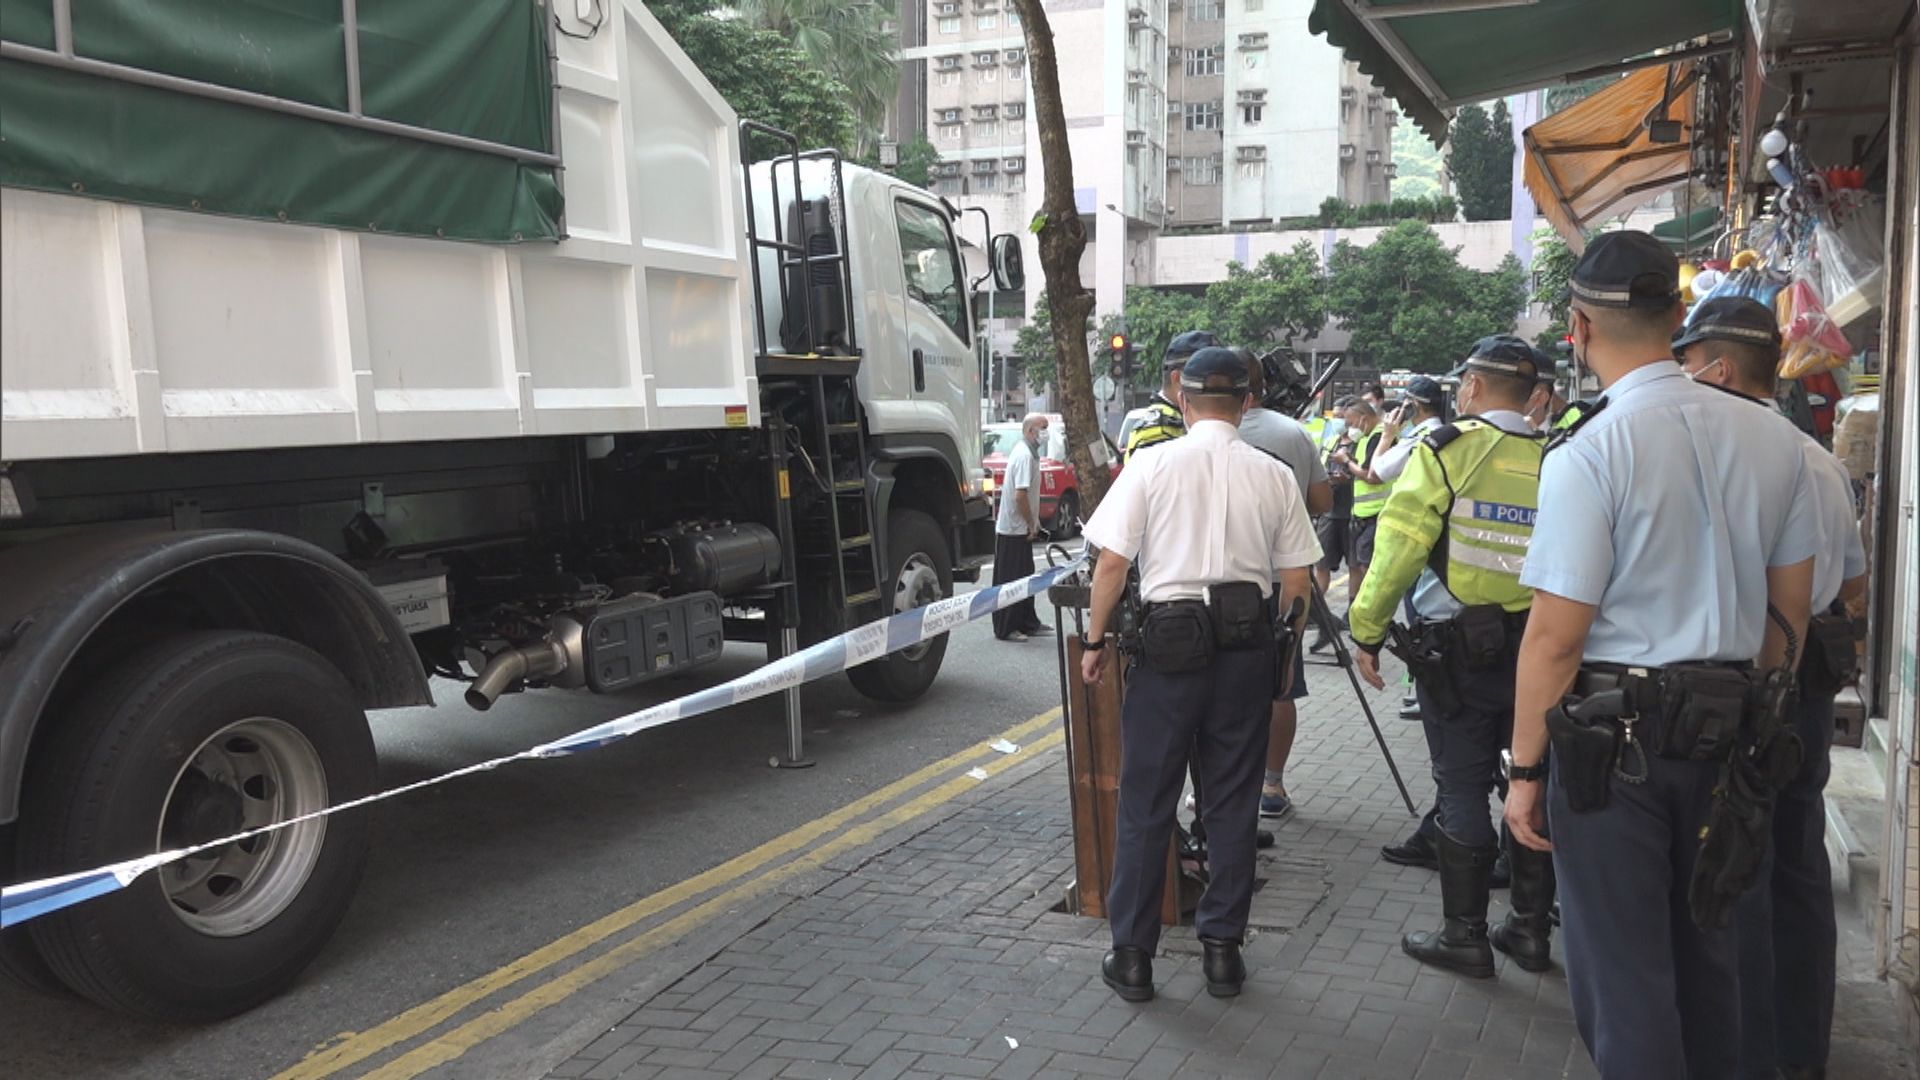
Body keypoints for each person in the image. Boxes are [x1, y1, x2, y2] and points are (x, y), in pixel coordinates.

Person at [1505, 232, 1823, 1078]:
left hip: (1618, 753)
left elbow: (1555, 635)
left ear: (1576, 329)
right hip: (1732, 734)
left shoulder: (1591, 451)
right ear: (1679, 318)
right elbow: (1788, 616)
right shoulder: (1778, 442)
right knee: (1716, 962)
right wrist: (1752, 719)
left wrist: (1525, 772)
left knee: (1627, 977)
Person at [1079, 347, 1319, 1003]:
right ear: (1246, 403)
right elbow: (1297, 579)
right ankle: (1222, 954)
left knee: (1146, 803)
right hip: (1245, 657)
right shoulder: (1272, 474)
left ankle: (1132, 958)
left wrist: (1095, 641)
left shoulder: (1150, 465)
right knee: (1232, 804)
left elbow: (1109, 566)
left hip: (1166, 656)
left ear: (1182, 398)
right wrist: (1285, 655)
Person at [1674, 297, 1868, 1080]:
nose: (1680, 378)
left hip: (1745, 685)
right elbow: (1852, 588)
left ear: (1716, 369)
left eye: (1687, 364)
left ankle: (1746, 1055)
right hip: (1810, 685)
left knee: (1735, 866)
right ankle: (1800, 1052)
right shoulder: (1815, 458)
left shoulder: (1716, 458)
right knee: (1796, 860)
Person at [1348, 336, 1554, 979]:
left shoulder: (1449, 452)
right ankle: (1527, 930)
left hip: (1458, 654)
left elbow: (1401, 546)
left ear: (1471, 388)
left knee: (1461, 786)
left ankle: (1464, 936)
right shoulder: (1560, 457)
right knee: (1531, 778)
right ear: (1534, 397)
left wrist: (1366, 629)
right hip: (1542, 653)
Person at [1239, 351, 1333, 821]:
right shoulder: (1291, 432)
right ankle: (1271, 784)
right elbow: (1322, 499)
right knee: (1282, 686)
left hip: (1220, 584)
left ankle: (1221, 784)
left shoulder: (1192, 436)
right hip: (1283, 580)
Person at [991, 414, 1051, 642]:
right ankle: (1007, 626)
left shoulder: (1030, 454)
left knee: (1026, 576)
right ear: (1030, 431)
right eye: (1042, 428)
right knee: (1011, 580)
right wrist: (1031, 523)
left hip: (1020, 528)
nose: (1046, 432)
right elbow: (1020, 495)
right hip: (1013, 529)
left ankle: (1028, 621)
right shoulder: (1025, 456)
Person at [1123, 330, 1220, 463]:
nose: (1216, 386)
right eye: (1206, 378)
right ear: (1177, 378)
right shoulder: (1157, 432)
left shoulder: (1180, 419)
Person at [1310, 399, 1356, 653]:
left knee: (1355, 568)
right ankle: (1319, 616)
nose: (1339, 420)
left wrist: (1347, 469)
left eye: (1343, 416)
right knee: (1322, 566)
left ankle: (1352, 615)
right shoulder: (1330, 442)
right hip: (1329, 512)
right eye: (1336, 416)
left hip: (1351, 513)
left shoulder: (1362, 442)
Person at [1330, 398, 1386, 602]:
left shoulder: (1378, 437)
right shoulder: (1366, 438)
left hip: (1376, 512)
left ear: (1364, 418)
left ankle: (1372, 607)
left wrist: (1346, 461)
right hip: (1363, 513)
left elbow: (1369, 475)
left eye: (1351, 423)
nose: (1350, 428)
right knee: (1361, 563)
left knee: (1366, 565)